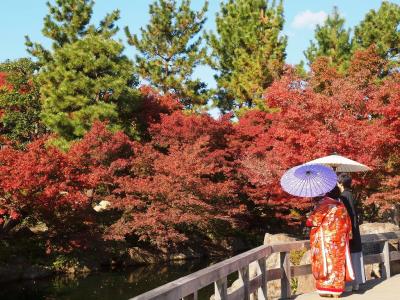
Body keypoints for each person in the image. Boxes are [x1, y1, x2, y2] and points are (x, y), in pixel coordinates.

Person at [306, 186, 355, 298]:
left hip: (326, 241)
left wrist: (312, 212)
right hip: (340, 241)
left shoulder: (324, 204)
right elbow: (348, 224)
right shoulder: (341, 205)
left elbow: (312, 221)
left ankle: (326, 289)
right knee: (338, 264)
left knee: (326, 264)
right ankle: (336, 290)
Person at [337, 173, 365, 291]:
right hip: (355, 228)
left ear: (341, 183)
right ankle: (357, 283)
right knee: (355, 255)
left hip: (347, 229)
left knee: (347, 256)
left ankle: (348, 284)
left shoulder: (342, 197)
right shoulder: (353, 195)